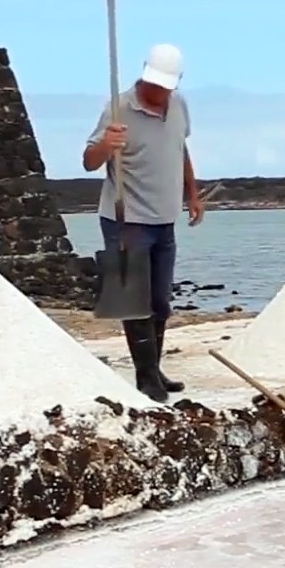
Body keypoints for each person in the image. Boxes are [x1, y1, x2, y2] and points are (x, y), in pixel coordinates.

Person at [83, 42, 205, 402]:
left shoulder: (180, 104)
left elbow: (179, 148)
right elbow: (89, 161)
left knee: (160, 303)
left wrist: (192, 194)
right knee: (133, 303)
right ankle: (146, 378)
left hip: (164, 220)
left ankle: (154, 368)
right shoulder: (118, 108)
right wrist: (108, 144)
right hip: (127, 219)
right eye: (154, 85)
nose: (159, 93)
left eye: (166, 86)